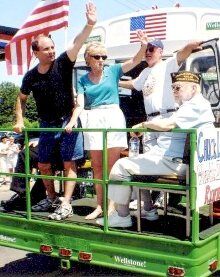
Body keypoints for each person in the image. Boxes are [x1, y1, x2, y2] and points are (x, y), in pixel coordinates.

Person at [96, 71, 215, 227]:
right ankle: (149, 209)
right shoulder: (195, 105)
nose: (174, 92)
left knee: (121, 166)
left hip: (177, 163)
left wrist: (144, 125)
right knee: (138, 164)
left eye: (178, 88)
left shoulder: (195, 105)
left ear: (193, 88)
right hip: (180, 161)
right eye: (173, 88)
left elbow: (167, 125)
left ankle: (122, 216)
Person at [13, 3, 97, 221]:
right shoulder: (31, 76)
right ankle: (51, 197)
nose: (52, 51)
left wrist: (89, 24)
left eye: (52, 47)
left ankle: (66, 204)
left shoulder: (62, 63)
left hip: (67, 120)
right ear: (36, 52)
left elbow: (78, 43)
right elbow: (21, 99)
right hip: (46, 124)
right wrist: (19, 120)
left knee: (70, 163)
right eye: (46, 48)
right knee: (42, 164)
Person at [119, 38, 202, 207]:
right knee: (150, 162)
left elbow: (181, 54)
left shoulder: (167, 65)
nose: (148, 52)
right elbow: (134, 85)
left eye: (152, 49)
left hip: (167, 118)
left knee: (166, 159)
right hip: (151, 120)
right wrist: (114, 81)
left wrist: (190, 45)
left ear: (160, 52)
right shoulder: (145, 72)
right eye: (146, 49)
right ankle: (148, 203)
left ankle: (163, 198)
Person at [76, 31, 150, 220]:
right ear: (88, 59)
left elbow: (134, 61)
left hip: (113, 115)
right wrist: (72, 120)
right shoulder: (82, 80)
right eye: (97, 56)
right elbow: (80, 104)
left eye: (104, 57)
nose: (101, 60)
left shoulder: (113, 71)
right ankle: (100, 206)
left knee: (112, 167)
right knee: (97, 167)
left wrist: (143, 46)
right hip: (93, 117)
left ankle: (112, 207)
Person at [1, 138, 47, 211]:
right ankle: (22, 194)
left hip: (60, 142)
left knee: (47, 162)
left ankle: (37, 196)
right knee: (24, 153)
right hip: (47, 139)